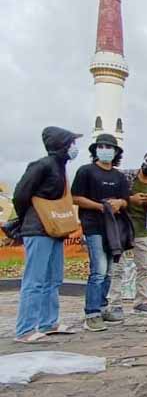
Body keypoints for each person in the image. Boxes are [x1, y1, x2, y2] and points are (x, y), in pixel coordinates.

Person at [13, 127, 82, 343]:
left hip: (55, 229)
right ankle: (25, 328)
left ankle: (48, 322)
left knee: (53, 278)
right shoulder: (42, 166)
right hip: (38, 228)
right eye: (71, 142)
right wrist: (30, 217)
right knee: (35, 279)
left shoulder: (60, 168)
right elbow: (20, 195)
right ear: (61, 145)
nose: (74, 147)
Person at [71, 133, 131, 332]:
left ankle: (103, 306)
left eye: (109, 147)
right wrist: (100, 206)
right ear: (96, 150)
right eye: (101, 146)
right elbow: (76, 197)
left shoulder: (119, 176)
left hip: (113, 228)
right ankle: (92, 313)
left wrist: (118, 203)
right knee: (98, 270)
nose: (105, 150)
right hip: (93, 225)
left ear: (115, 152)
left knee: (109, 271)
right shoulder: (86, 172)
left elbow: (126, 200)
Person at [107, 149, 147, 318]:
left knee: (145, 267)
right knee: (118, 266)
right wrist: (131, 199)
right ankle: (115, 302)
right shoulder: (127, 176)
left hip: (142, 228)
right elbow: (116, 197)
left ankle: (141, 302)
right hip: (123, 226)